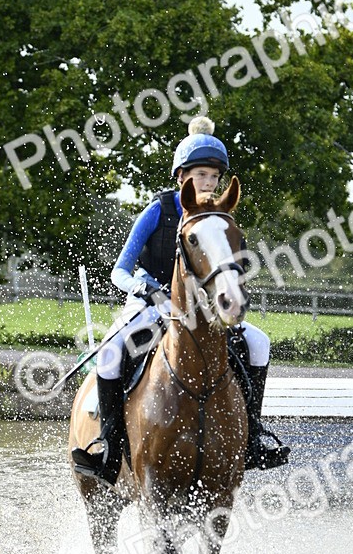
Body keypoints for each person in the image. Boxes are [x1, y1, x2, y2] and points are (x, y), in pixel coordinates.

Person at [71, 116, 290, 485]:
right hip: (151, 303)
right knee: (110, 354)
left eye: (215, 177)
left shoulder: (220, 219)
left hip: (203, 308)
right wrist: (150, 292)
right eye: (201, 175)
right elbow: (119, 271)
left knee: (258, 341)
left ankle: (252, 435)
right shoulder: (159, 209)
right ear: (182, 176)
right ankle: (108, 446)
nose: (209, 183)